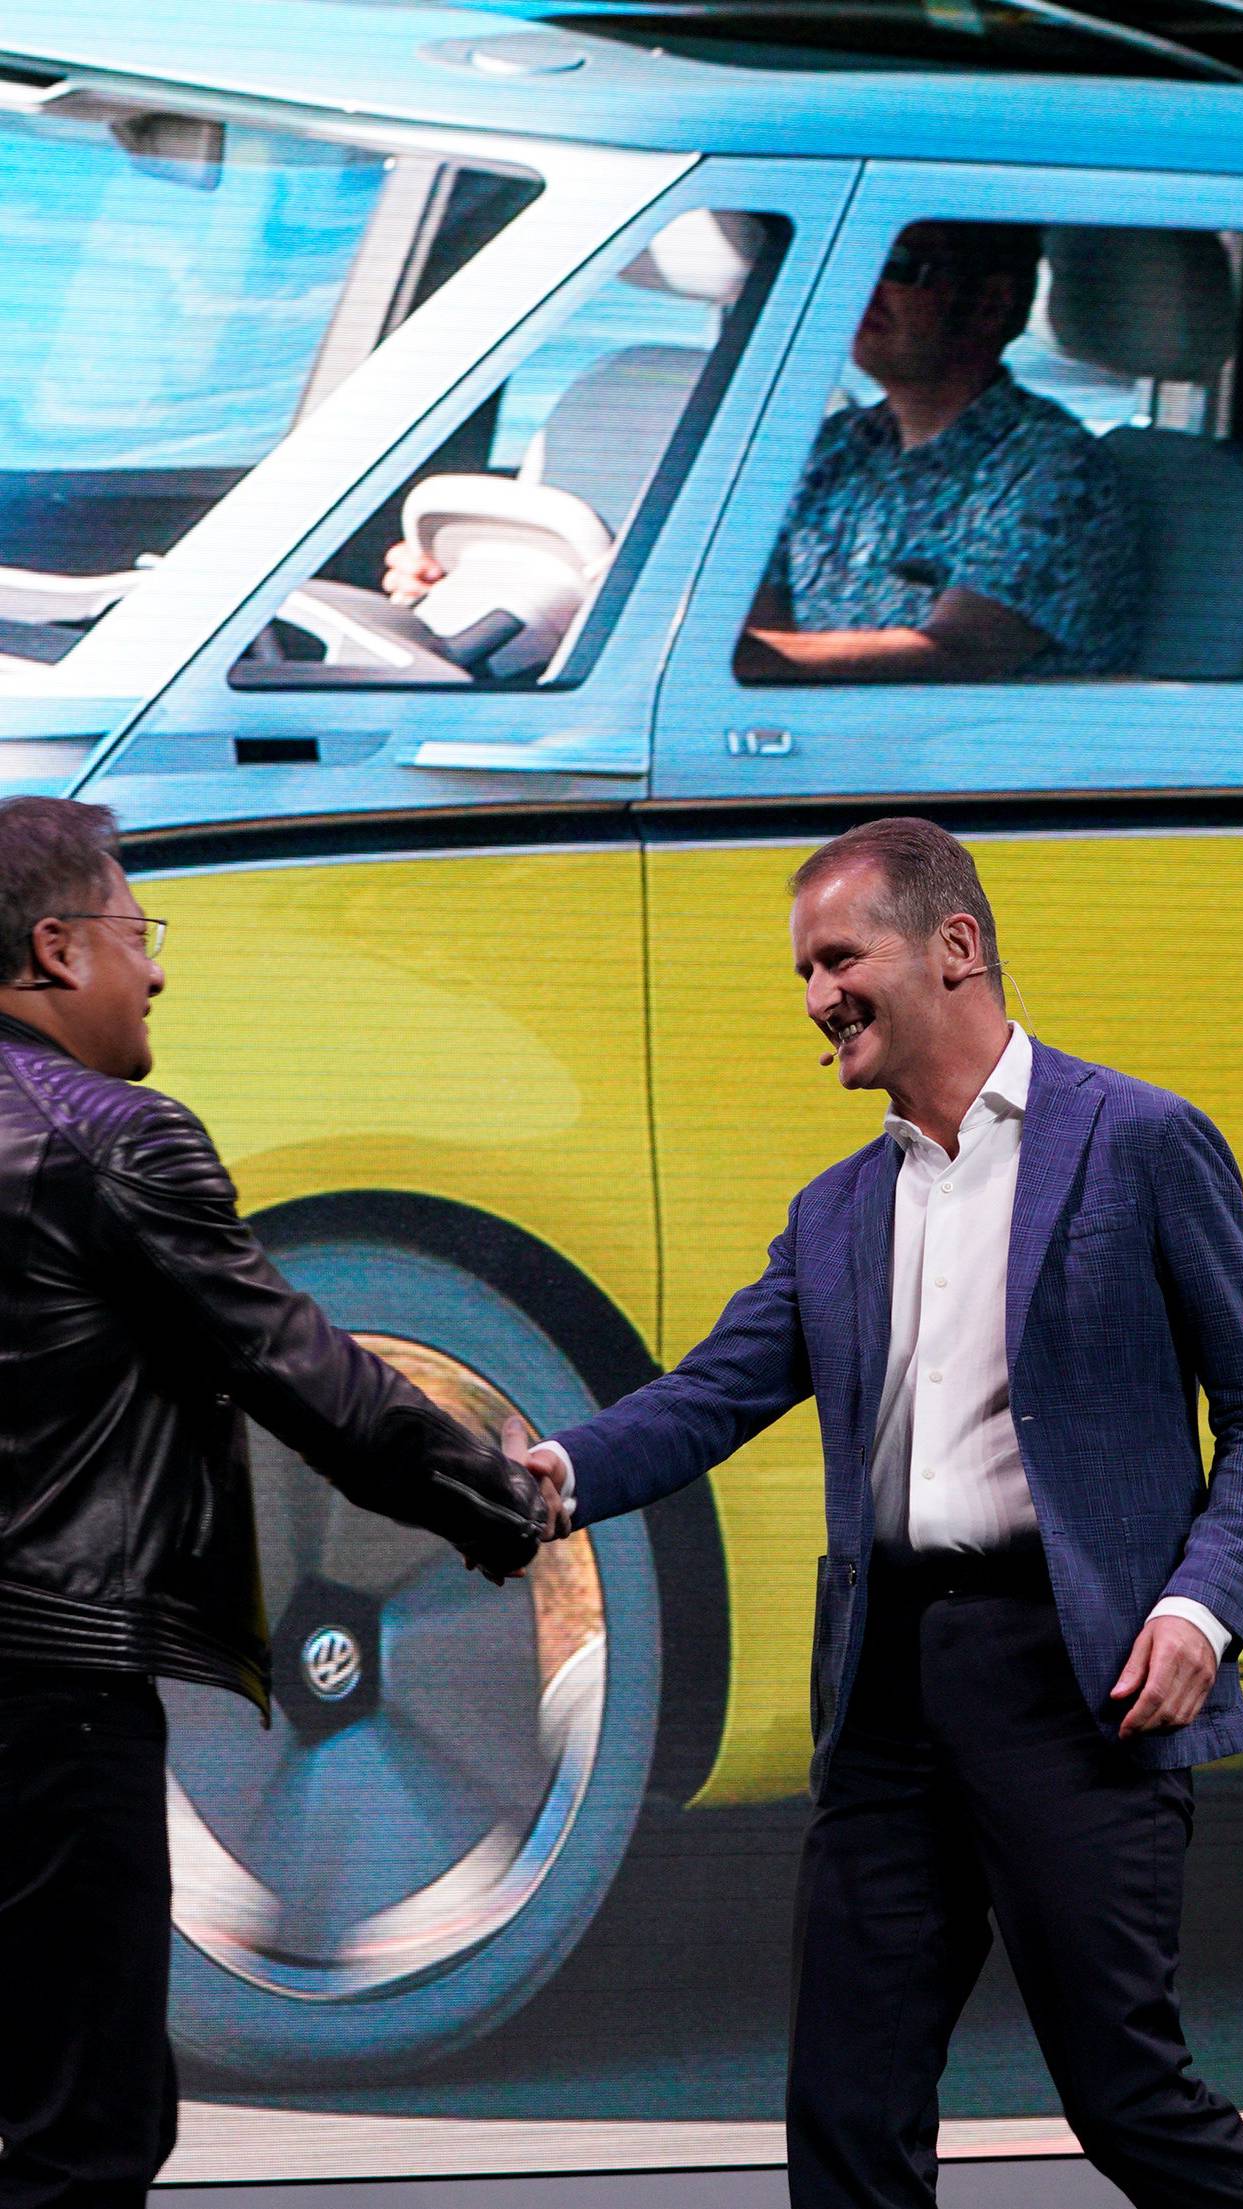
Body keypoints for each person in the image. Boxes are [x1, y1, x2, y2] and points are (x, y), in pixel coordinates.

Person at [521, 817, 1243, 2209]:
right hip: (890, 1694)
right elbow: (703, 1399)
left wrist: (1201, 1608)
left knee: (1128, 2100)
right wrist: (549, 1474)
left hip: (1079, 1685)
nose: (817, 995)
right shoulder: (835, 1214)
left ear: (954, 947)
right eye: (803, 974)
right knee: (847, 2109)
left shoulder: (1141, 1143)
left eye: (839, 957)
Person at [0, 796, 548, 2205]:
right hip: (48, 1701)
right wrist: (496, 1500)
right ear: (57, 949)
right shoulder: (113, 1137)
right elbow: (304, 1372)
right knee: (84, 2131)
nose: (157, 970)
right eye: (138, 933)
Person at [383, 222, 1143, 685]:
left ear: (990, 304)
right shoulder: (837, 445)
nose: (865, 286)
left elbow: (957, 654)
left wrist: (727, 663)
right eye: (861, 259)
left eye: (902, 265)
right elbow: (751, 609)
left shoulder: (1053, 472)